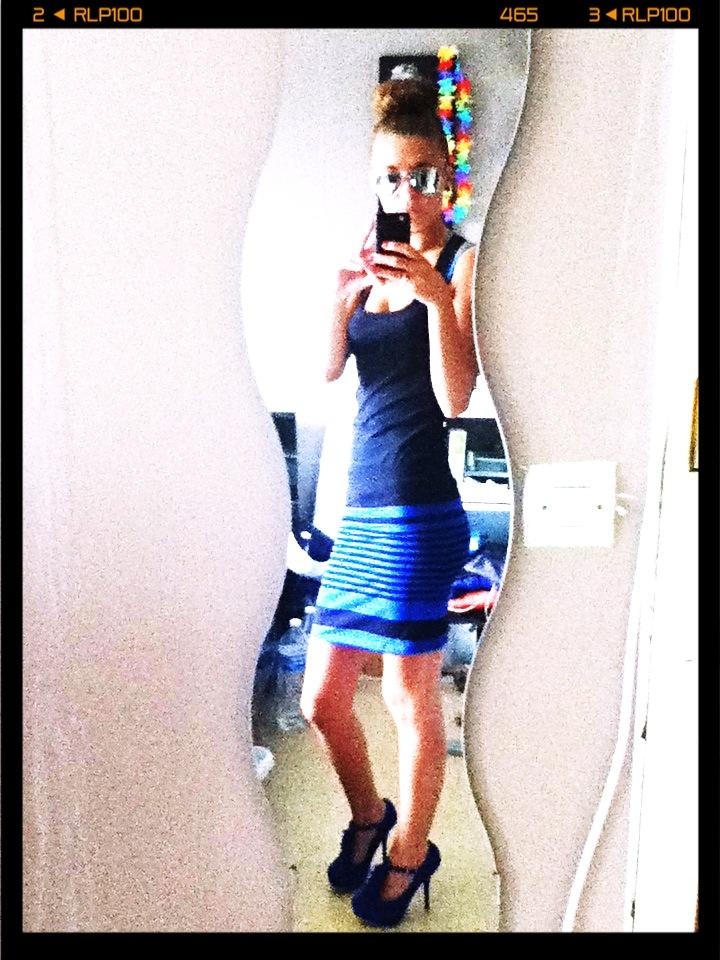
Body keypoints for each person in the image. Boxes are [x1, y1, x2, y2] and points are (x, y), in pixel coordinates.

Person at [299, 75, 478, 929]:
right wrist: (338, 299)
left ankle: (410, 853)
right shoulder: (371, 254)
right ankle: (370, 816)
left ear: (447, 177)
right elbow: (330, 369)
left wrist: (438, 301)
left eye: (421, 175)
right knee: (322, 700)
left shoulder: (462, 262)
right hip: (362, 509)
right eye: (390, 177)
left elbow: (455, 398)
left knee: (408, 699)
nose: (406, 193)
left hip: (417, 511)